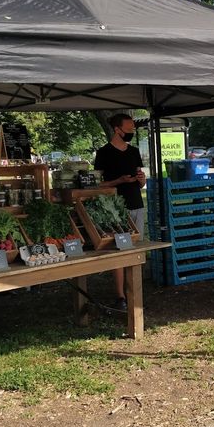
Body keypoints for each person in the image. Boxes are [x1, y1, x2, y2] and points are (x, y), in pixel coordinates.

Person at [94, 114, 147, 310]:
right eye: (129, 129)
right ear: (117, 129)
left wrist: (141, 180)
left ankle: (135, 291)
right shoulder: (104, 153)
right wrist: (118, 181)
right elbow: (98, 184)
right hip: (116, 208)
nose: (132, 132)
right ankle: (120, 296)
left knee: (135, 249)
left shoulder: (133, 151)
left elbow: (142, 182)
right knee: (119, 249)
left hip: (136, 204)